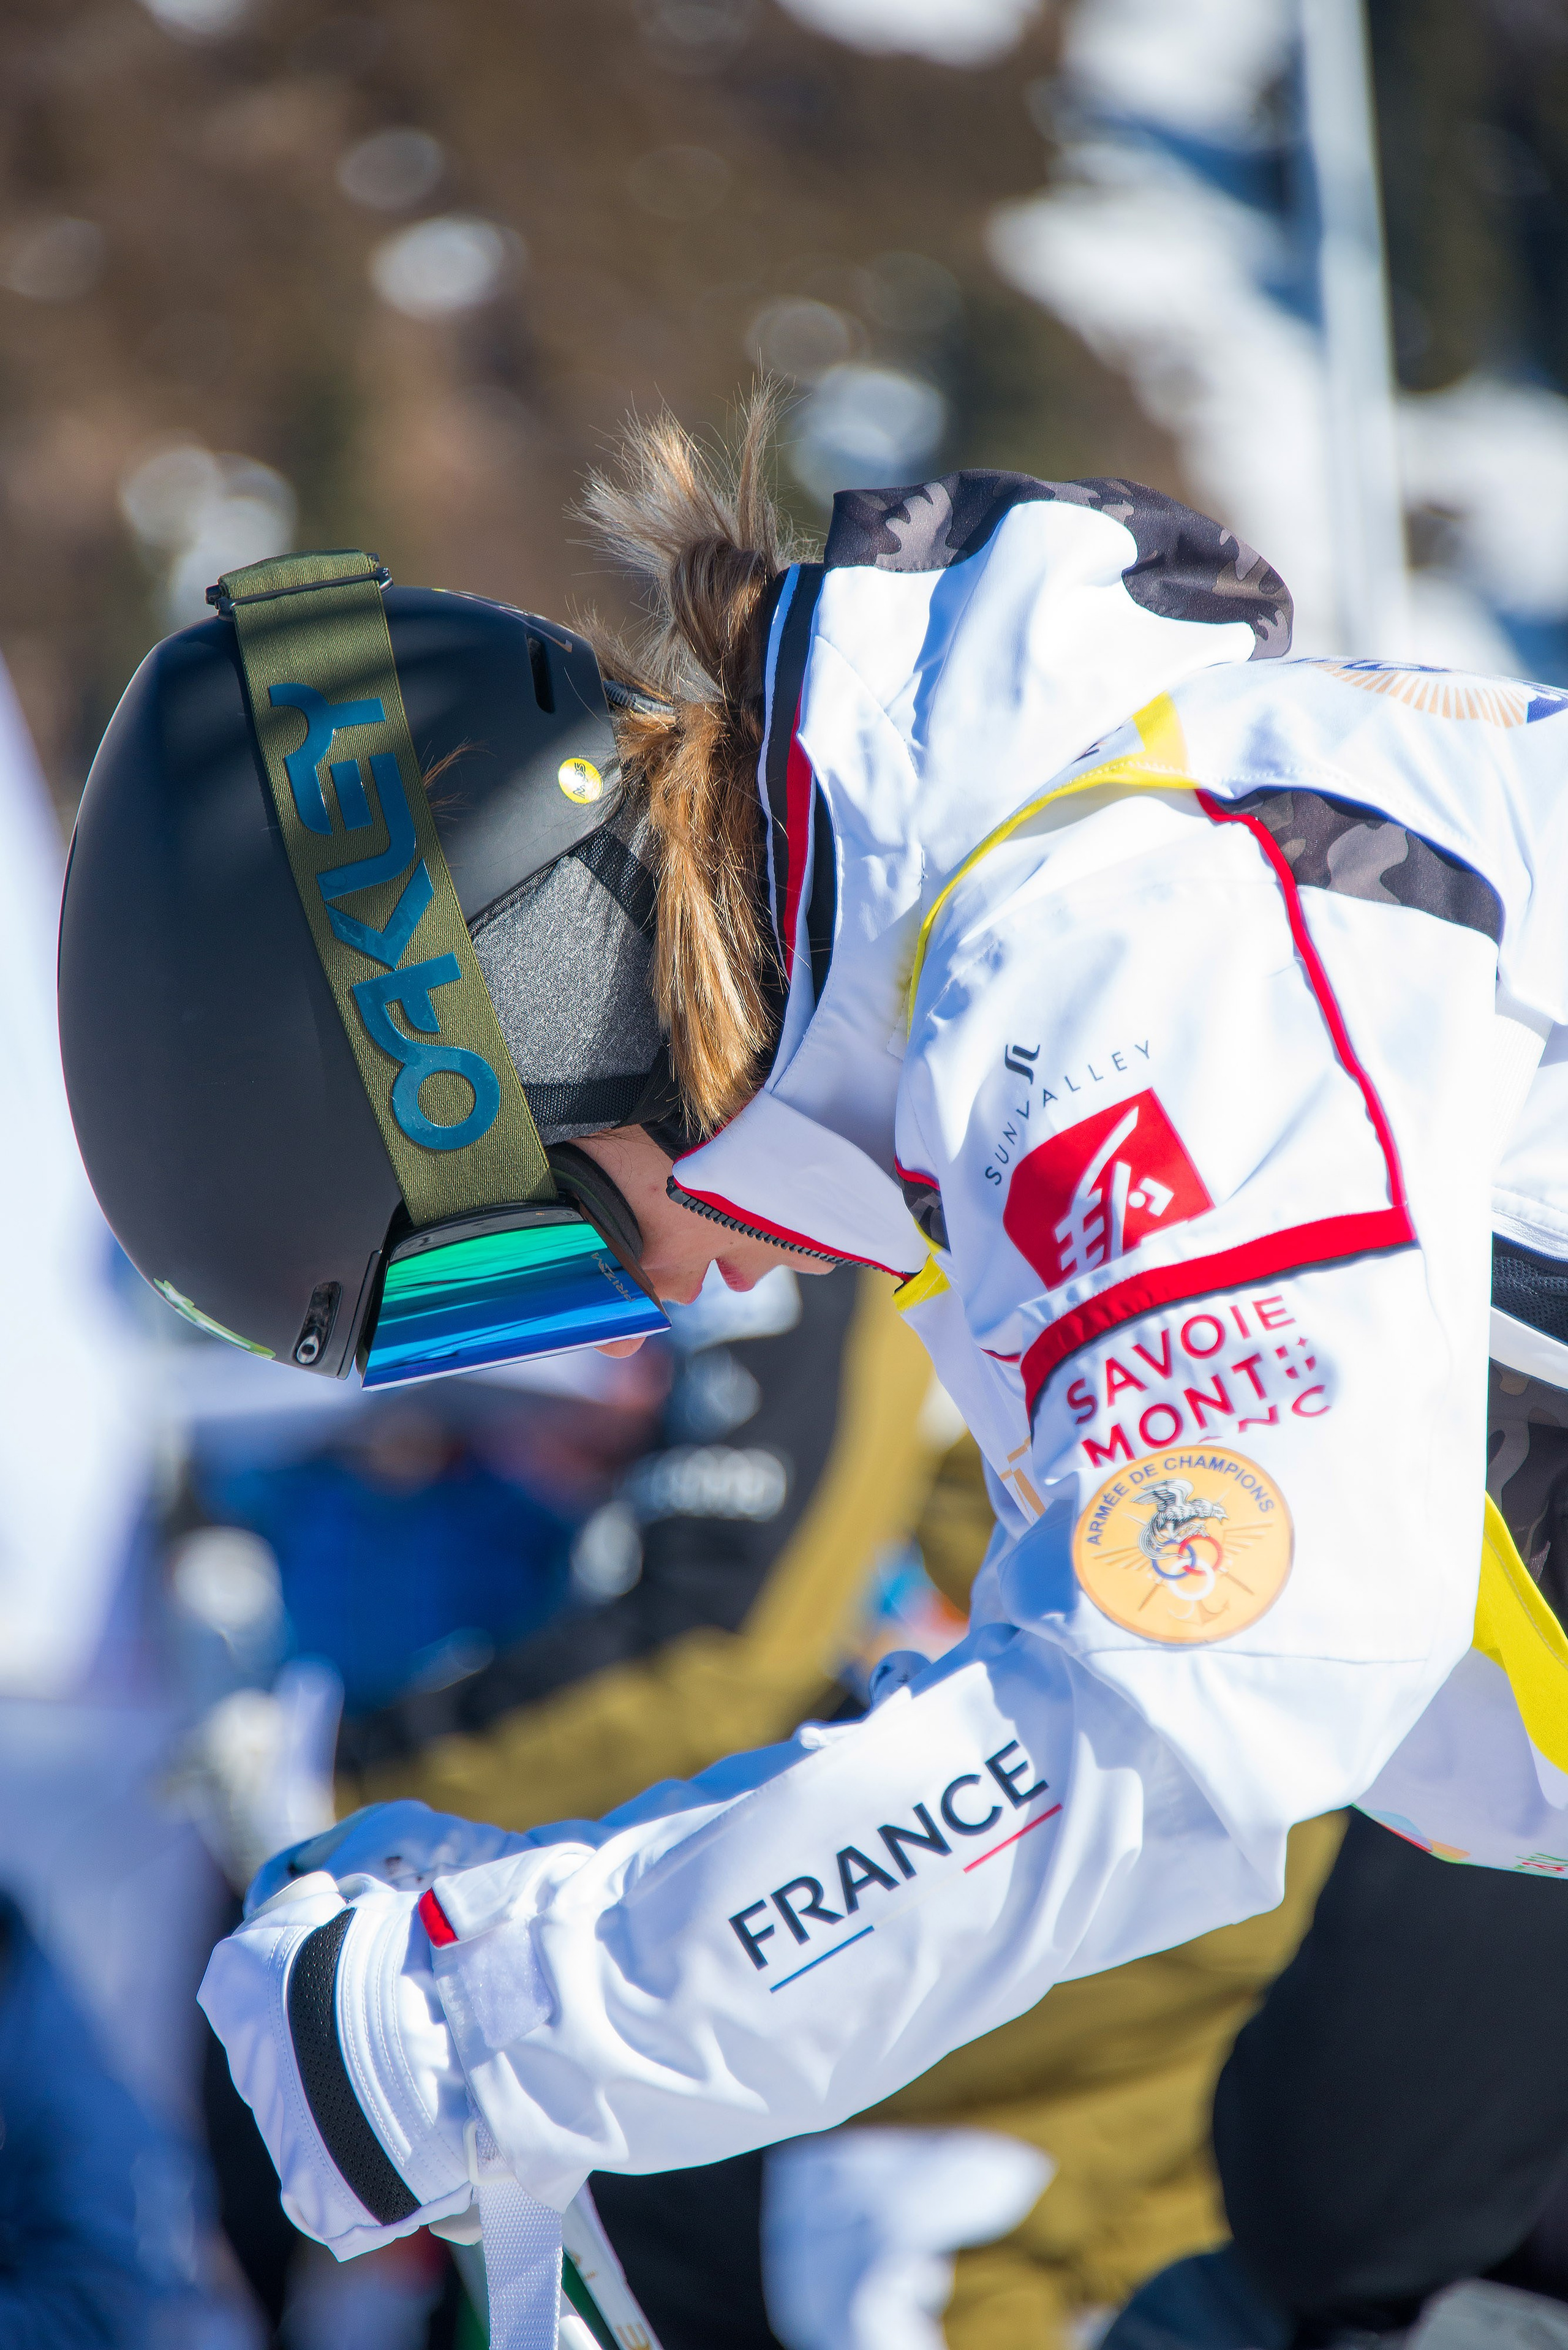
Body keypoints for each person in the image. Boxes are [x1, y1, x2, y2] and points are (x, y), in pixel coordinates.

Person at [56, 392, 1568, 2297]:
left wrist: (493, 2026)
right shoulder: (1007, 987)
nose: (673, 1300)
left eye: (549, 1250)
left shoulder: (1114, 955)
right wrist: (544, 1900)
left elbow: (1187, 1700)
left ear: (533, 1003)